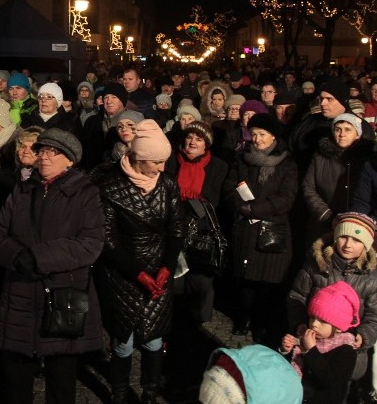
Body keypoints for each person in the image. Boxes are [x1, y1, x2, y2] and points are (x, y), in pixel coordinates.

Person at [0, 129, 104, 404]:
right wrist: (17, 256)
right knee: (16, 379)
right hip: (20, 294)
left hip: (64, 296)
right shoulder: (23, 190)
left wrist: (39, 257)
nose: (45, 157)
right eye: (43, 151)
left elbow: (90, 244)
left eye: (53, 152)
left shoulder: (85, 193)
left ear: (70, 160)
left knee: (61, 381)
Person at [93, 120, 187, 403]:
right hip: (123, 272)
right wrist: (138, 274)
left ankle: (149, 391)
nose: (161, 168)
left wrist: (167, 267)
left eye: (164, 162)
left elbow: (177, 229)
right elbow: (107, 239)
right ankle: (119, 391)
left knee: (154, 338)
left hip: (159, 268)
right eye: (156, 162)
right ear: (138, 158)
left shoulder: (167, 184)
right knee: (123, 341)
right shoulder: (110, 185)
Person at [224, 113, 298, 341]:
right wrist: (240, 206)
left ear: (273, 135)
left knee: (268, 282)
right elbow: (229, 186)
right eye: (253, 134)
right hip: (245, 226)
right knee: (245, 279)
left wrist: (256, 209)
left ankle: (262, 321)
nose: (256, 139)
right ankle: (243, 317)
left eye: (262, 134)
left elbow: (287, 197)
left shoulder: (286, 162)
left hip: (271, 227)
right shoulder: (242, 158)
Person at [287, 212, 377, 382]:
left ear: (366, 245)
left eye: (356, 240)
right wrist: (300, 323)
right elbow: (297, 296)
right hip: (312, 341)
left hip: (346, 353)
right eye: (343, 237)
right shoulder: (316, 266)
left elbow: (376, 317)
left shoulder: (371, 279)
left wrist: (363, 335)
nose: (348, 245)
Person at [166, 121, 228, 324]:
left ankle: (199, 324)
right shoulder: (170, 161)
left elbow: (213, 199)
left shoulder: (218, 166)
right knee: (174, 280)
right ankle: (173, 320)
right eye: (189, 137)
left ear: (206, 144)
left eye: (198, 139)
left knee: (201, 282)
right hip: (173, 227)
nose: (192, 142)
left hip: (202, 230)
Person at [281, 281, 362, 403]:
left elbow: (329, 380)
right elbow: (292, 364)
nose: (314, 324)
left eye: (323, 321)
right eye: (312, 317)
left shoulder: (346, 351)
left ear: (339, 326)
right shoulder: (305, 337)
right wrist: (285, 349)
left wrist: (311, 350)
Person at [302, 113, 374, 243]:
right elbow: (308, 188)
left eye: (348, 129)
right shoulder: (320, 157)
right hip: (323, 224)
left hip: (356, 227)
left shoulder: (367, 160)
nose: (342, 134)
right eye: (338, 129)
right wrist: (327, 215)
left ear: (357, 134)